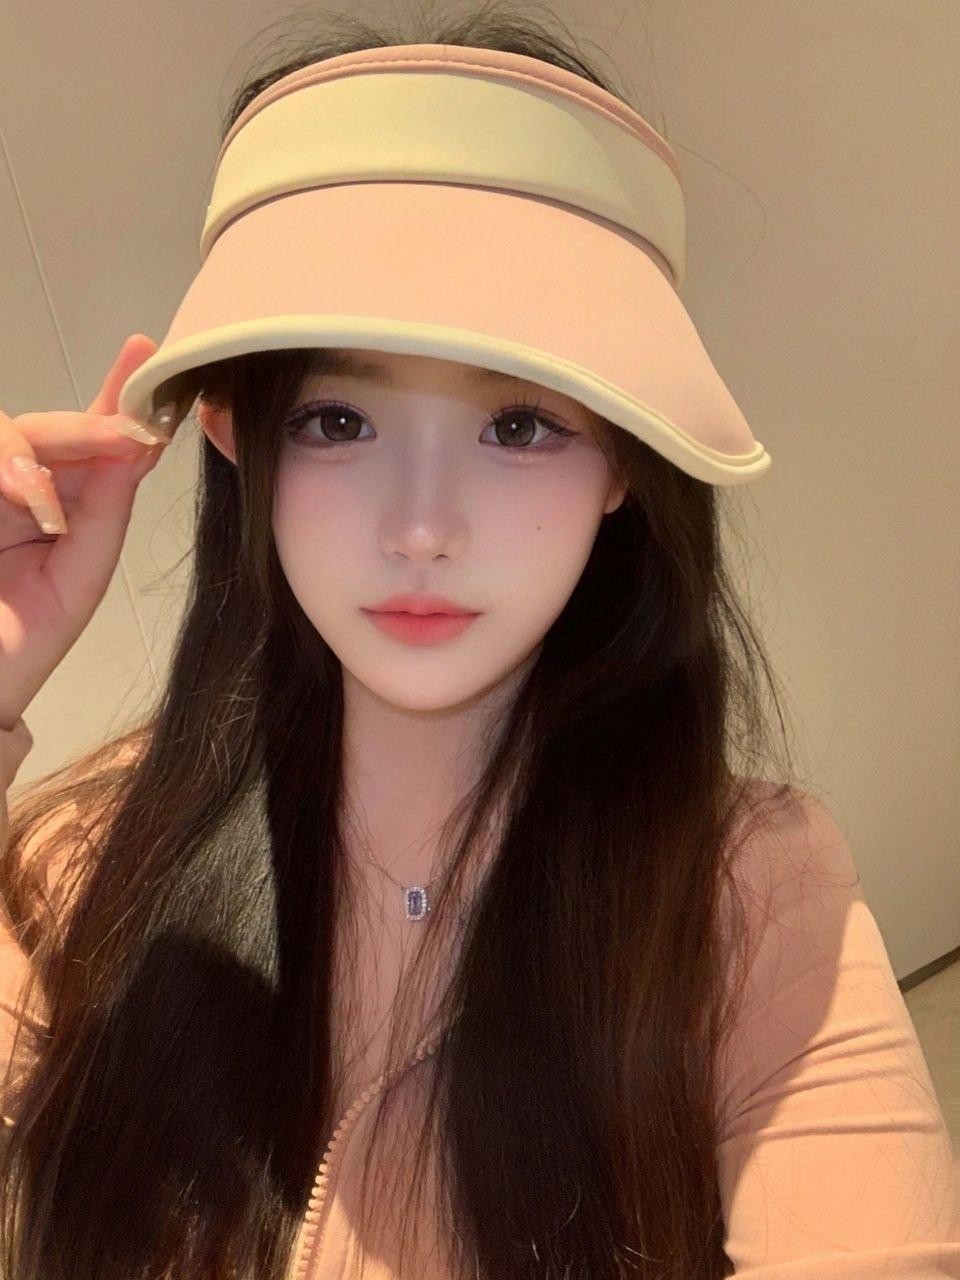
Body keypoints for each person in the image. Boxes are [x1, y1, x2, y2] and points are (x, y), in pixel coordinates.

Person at [0, 8, 957, 1280]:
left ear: (626, 461)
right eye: (337, 419)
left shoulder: (748, 896)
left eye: (519, 425)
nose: (421, 528)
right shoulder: (87, 860)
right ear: (237, 437)